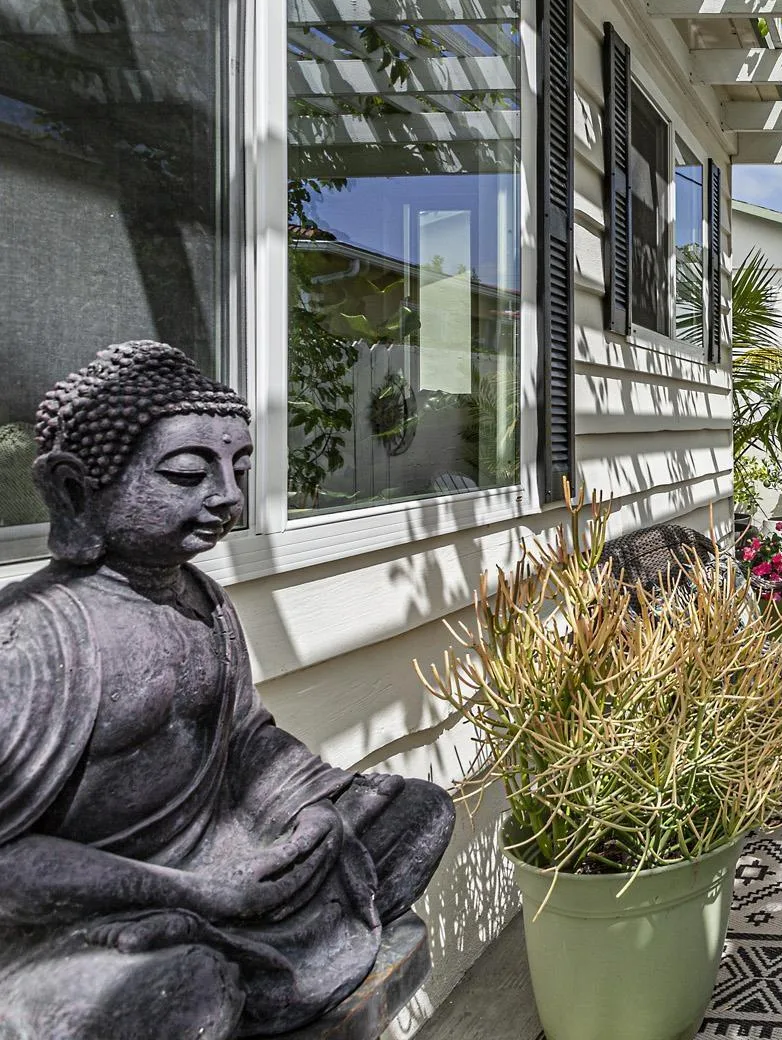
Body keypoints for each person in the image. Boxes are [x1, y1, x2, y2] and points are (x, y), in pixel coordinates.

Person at [0, 341, 454, 1038]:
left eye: (238, 469)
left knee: (418, 812)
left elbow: (247, 743)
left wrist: (303, 809)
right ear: (74, 489)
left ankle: (247, 948)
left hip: (222, 852)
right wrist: (195, 891)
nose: (228, 498)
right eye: (187, 473)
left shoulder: (204, 601)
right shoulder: (37, 638)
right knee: (179, 991)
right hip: (105, 904)